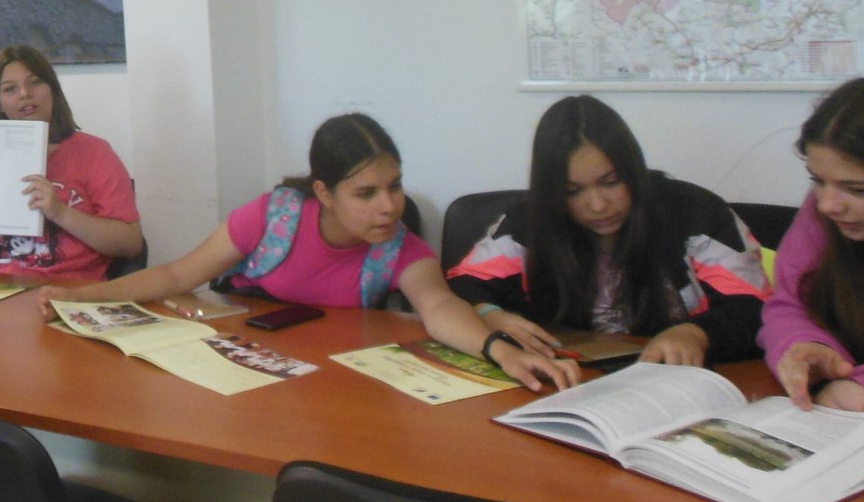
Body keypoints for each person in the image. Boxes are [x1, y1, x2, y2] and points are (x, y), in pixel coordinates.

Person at [39, 113, 577, 392]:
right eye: (366, 193)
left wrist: (501, 350)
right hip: (247, 367)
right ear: (324, 193)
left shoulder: (399, 247)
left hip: (333, 379)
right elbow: (179, 274)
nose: (389, 206)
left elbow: (439, 308)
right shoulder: (273, 218)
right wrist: (80, 297)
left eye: (395, 186)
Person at [447, 95, 768, 365]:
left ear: (633, 169)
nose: (598, 205)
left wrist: (697, 334)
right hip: (573, 381)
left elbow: (754, 310)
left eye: (611, 182)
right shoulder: (529, 223)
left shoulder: (696, 214)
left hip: (686, 381)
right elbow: (461, 285)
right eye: (572, 191)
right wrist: (489, 313)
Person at [0, 44, 143, 281]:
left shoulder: (94, 152)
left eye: (34, 82)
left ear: (52, 90)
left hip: (68, 290)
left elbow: (131, 243)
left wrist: (59, 212)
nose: (25, 93)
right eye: (10, 89)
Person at [762, 77, 864, 412]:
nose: (827, 205)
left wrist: (862, 384)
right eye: (818, 181)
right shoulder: (819, 217)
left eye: (858, 189)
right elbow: (789, 305)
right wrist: (804, 346)